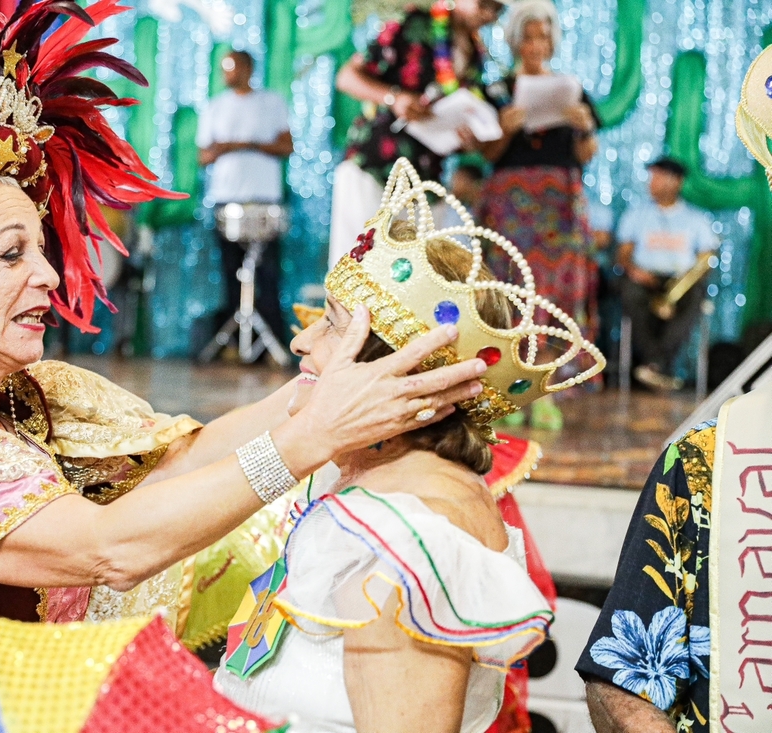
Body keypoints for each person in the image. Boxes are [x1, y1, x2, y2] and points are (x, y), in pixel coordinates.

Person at [0, 4, 488, 729]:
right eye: (9, 255)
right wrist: (305, 442)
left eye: (43, 251)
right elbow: (110, 547)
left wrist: (327, 378)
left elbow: (180, 458)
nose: (50, 277)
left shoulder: (30, 394)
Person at [215, 158, 604, 733]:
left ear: (397, 372)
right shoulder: (364, 481)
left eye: (330, 324)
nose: (300, 339)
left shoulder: (411, 539)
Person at [575, 44, 772, 733]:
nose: (658, 182)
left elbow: (699, 267)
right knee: (632, 292)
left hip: (679, 288)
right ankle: (651, 368)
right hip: (643, 286)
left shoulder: (695, 220)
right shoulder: (701, 468)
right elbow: (622, 679)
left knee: (684, 303)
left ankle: (663, 363)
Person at [476, 0, 598, 430]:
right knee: (510, 294)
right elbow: (484, 153)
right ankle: (510, 392)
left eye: (542, 35)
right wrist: (505, 130)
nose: (535, 43)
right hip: (510, 204)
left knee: (553, 298)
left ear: (552, 41)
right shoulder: (497, 91)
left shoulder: (572, 88)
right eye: (527, 36)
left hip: (559, 206)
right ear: (514, 41)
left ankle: (546, 393)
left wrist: (583, 126)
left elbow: (586, 155)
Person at [329, 0, 506, 265]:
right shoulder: (414, 23)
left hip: (424, 184)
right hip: (374, 168)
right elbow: (346, 78)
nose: (489, 14)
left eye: (498, 9)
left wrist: (466, 140)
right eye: (484, 4)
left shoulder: (476, 55)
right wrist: (394, 98)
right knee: (360, 272)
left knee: (413, 284)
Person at [197, 50, 294, 348]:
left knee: (267, 275)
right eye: (224, 68)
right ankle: (234, 344)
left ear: (248, 68)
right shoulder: (215, 107)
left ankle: (270, 345)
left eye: (233, 66)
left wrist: (243, 144)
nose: (228, 72)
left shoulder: (271, 103)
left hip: (264, 200)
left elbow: (286, 145)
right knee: (231, 274)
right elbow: (204, 155)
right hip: (227, 200)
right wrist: (224, 149)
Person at [615, 157, 717, 392]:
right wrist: (636, 272)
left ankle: (654, 365)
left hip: (680, 280)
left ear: (677, 182)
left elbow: (705, 259)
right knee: (630, 293)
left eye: (659, 177)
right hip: (644, 277)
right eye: (652, 177)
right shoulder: (636, 215)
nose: (652, 183)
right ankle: (659, 365)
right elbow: (623, 255)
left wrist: (687, 280)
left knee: (694, 298)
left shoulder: (696, 218)